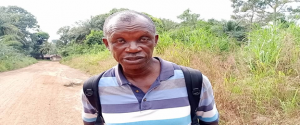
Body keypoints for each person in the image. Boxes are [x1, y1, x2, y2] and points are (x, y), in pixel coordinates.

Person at [81, 10, 219, 125]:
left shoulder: (194, 81)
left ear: (155, 40)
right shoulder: (93, 89)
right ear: (107, 44)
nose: (133, 49)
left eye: (143, 39)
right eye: (120, 40)